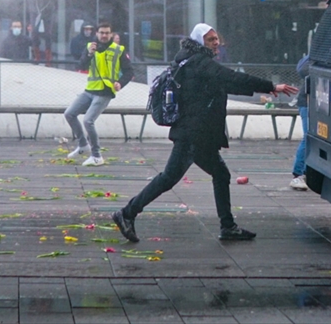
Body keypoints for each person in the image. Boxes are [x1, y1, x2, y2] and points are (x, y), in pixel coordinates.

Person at [113, 23, 297, 242]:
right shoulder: (199, 63)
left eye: (217, 39)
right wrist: (271, 85)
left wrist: (264, 89)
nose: (216, 43)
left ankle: (228, 226)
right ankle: (127, 213)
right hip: (193, 134)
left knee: (220, 174)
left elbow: (225, 84)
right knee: (169, 178)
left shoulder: (194, 62)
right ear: (201, 42)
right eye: (211, 40)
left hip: (199, 134)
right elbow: (231, 77)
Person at [65, 22, 133, 166]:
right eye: (101, 32)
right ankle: (83, 145)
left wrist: (120, 83)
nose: (104, 35)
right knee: (69, 114)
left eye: (107, 33)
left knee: (88, 121)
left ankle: (97, 156)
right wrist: (89, 54)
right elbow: (81, 66)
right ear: (97, 33)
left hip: (105, 92)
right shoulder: (91, 47)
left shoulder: (118, 50)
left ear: (111, 34)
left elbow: (129, 72)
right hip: (90, 89)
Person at [290, 54, 310, 190]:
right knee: (308, 137)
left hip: (311, 100)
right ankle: (298, 174)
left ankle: (302, 173)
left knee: (310, 137)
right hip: (308, 102)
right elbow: (302, 69)